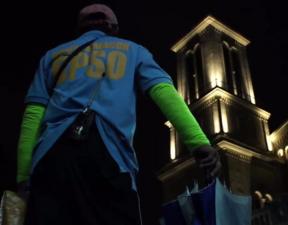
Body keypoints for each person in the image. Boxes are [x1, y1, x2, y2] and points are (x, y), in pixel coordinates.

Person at [16, 4, 221, 225]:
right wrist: (198, 142)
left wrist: (24, 177)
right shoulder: (133, 50)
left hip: (51, 162)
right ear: (113, 27)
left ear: (80, 28)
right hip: (108, 158)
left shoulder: (52, 56)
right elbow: (165, 93)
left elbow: (33, 116)